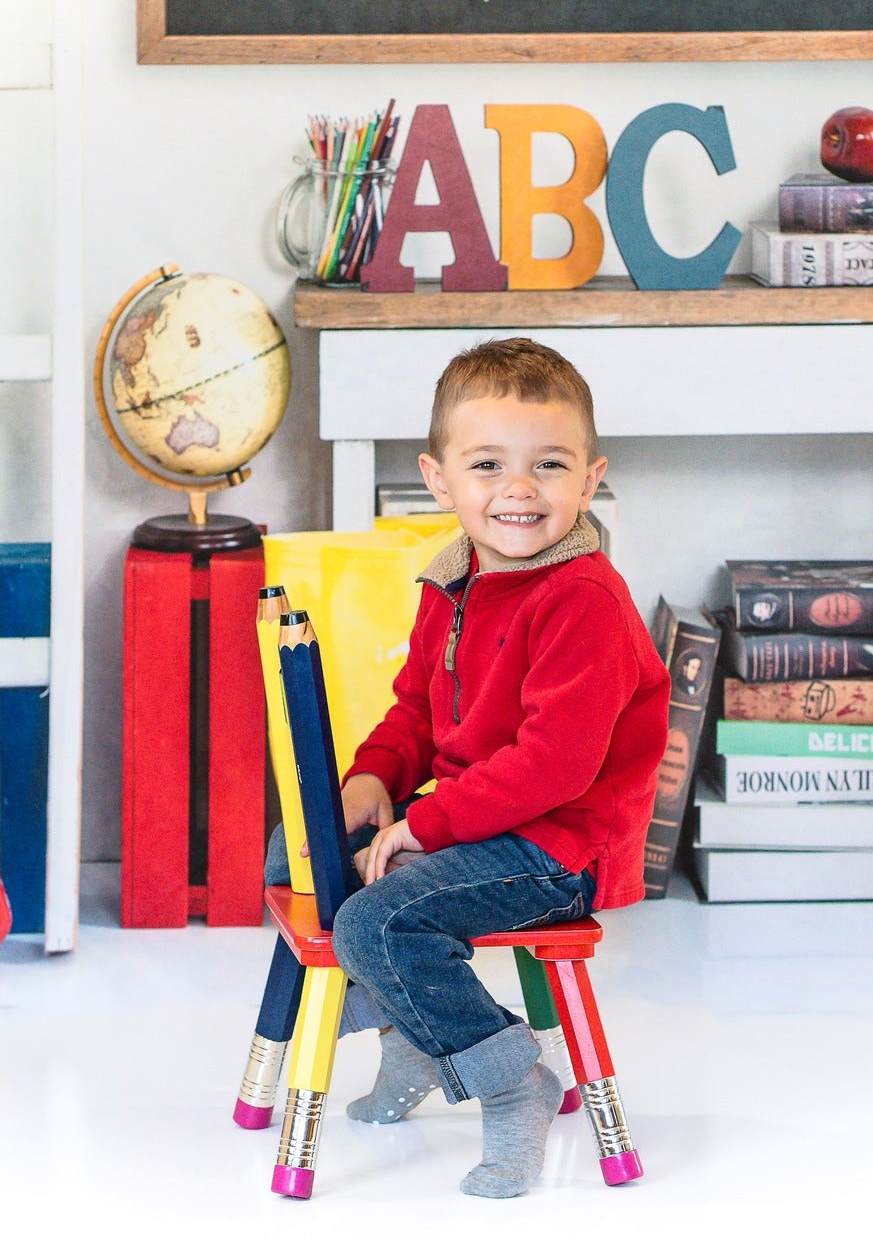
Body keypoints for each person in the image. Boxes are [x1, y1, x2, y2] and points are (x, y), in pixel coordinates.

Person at [265, 336, 666, 1198]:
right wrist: (374, 782)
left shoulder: (582, 599)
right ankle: (417, 1024)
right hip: (479, 817)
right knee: (292, 847)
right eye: (488, 464)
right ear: (439, 479)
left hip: (557, 848)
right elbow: (415, 707)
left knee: (375, 925)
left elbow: (554, 767)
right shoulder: (456, 577)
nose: (519, 489)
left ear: (590, 479)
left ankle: (511, 1079)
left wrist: (422, 826)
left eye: (548, 465)